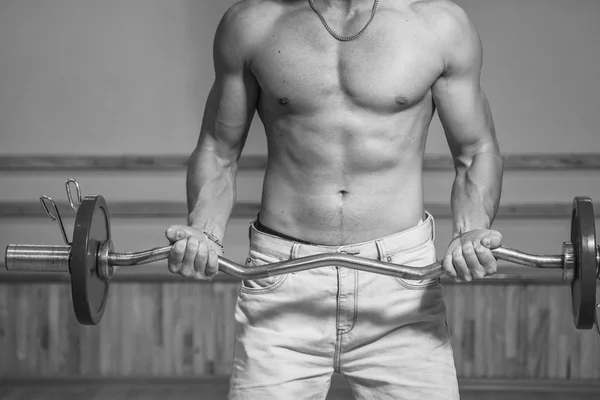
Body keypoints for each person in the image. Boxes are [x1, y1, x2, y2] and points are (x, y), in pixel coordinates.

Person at [166, 0, 503, 398]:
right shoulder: (252, 24)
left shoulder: (438, 25)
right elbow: (218, 152)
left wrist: (470, 229)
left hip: (399, 285)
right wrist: (205, 231)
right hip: (284, 283)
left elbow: (475, 151)